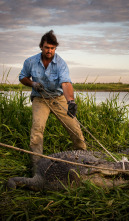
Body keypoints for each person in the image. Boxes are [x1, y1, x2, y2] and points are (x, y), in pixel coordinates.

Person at [19, 30, 86, 171]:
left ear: (55, 48)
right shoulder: (30, 61)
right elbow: (22, 77)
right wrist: (33, 84)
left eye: (52, 48)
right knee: (37, 128)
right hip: (40, 99)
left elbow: (66, 83)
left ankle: (84, 159)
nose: (49, 51)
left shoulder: (61, 64)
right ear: (41, 47)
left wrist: (71, 102)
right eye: (47, 47)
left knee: (74, 127)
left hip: (58, 98)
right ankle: (37, 166)